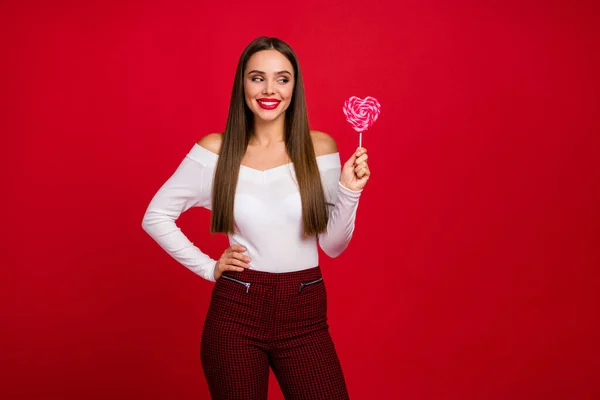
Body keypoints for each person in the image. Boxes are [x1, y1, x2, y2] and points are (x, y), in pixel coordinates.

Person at [141, 36, 370, 399]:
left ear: (295, 87)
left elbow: (333, 246)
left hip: (305, 312)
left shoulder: (320, 148)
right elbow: (156, 216)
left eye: (282, 78)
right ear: (242, 85)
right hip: (237, 313)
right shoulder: (215, 151)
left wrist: (349, 191)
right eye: (257, 77)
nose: (269, 89)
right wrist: (207, 266)